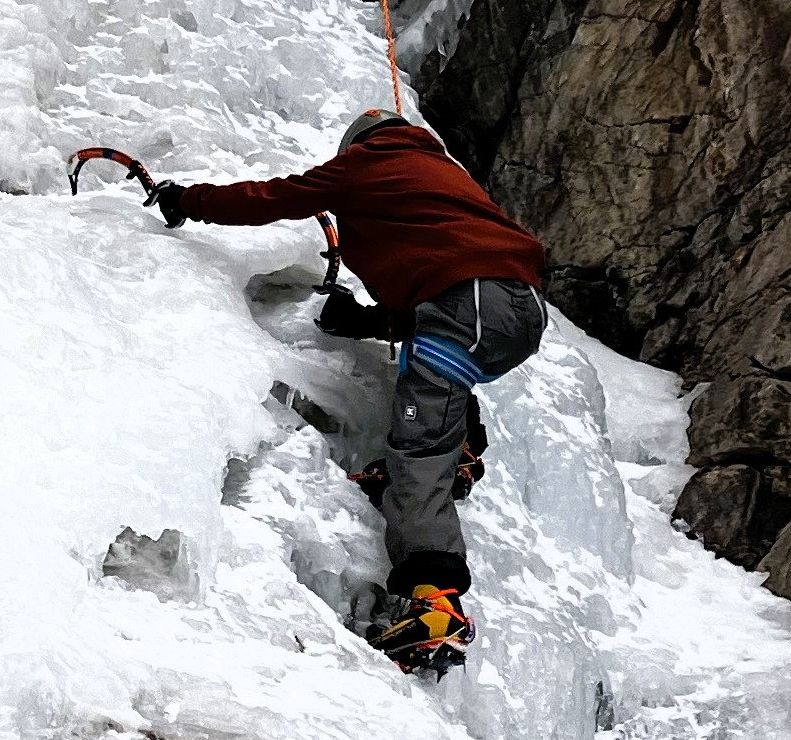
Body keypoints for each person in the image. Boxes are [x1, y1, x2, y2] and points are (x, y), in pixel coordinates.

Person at [154, 109, 549, 676]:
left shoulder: (367, 164)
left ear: (357, 144)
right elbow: (440, 293)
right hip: (516, 309)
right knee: (439, 367)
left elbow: (277, 196)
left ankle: (435, 602)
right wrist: (365, 322)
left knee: (419, 449)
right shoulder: (443, 173)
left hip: (470, 301)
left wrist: (188, 201)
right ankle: (456, 452)